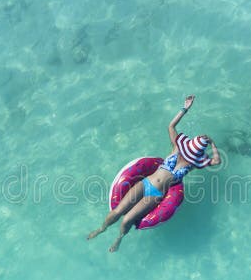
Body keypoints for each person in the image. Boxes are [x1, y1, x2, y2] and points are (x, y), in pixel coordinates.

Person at [87, 95, 221, 252]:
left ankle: (118, 239)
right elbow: (171, 126)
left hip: (155, 195)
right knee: (117, 212)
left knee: (127, 220)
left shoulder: (193, 164)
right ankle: (101, 229)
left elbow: (216, 161)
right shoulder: (176, 148)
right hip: (145, 183)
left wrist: (212, 143)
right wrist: (185, 109)